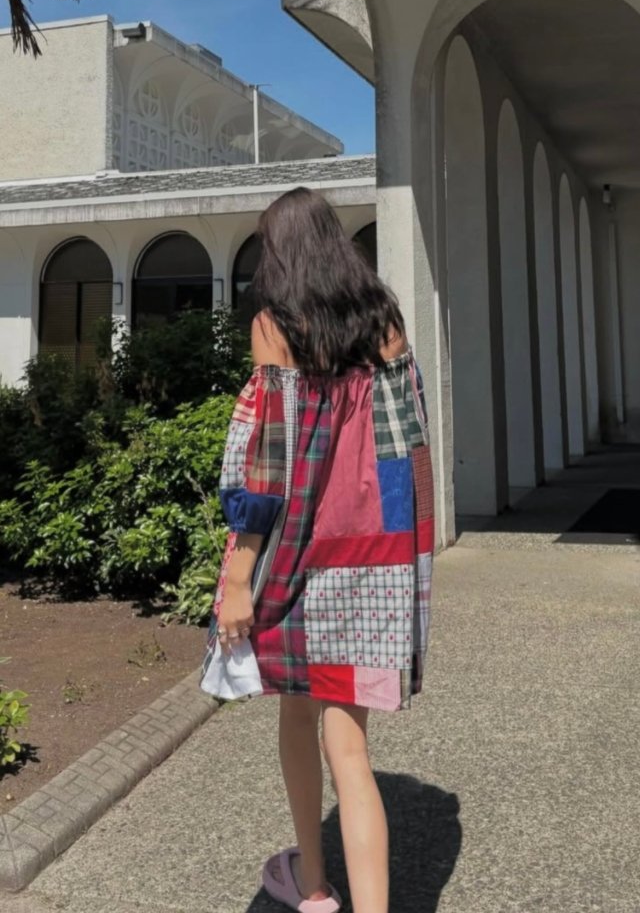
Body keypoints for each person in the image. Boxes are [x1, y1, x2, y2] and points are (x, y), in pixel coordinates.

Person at [201, 187, 434, 913]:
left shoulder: (274, 326)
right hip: (375, 558)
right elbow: (410, 453)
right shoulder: (385, 322)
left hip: (300, 557)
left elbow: (268, 465)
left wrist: (238, 579)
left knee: (297, 715)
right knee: (351, 751)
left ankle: (314, 887)